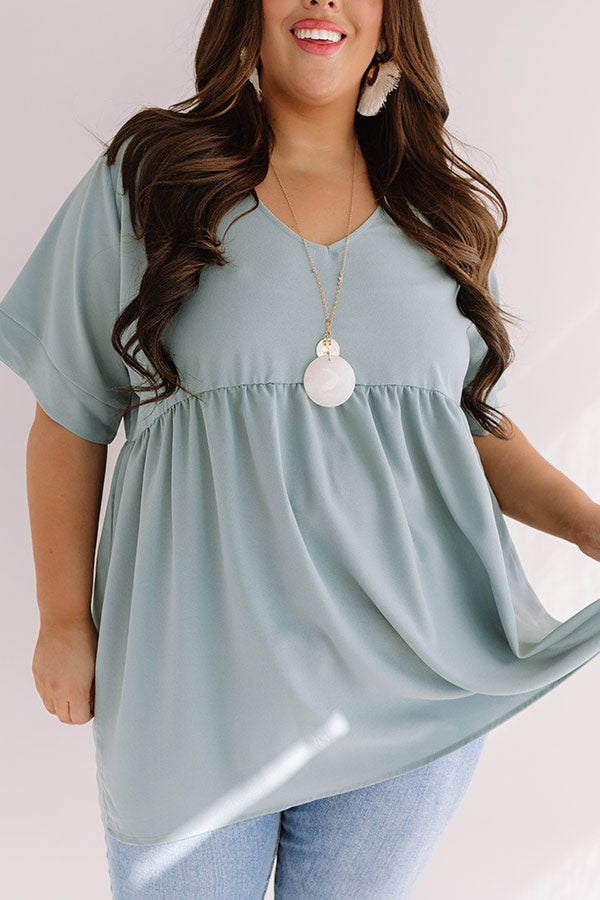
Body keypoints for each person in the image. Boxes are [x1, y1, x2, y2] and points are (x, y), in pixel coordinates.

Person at [2, 0, 600, 896]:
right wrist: (61, 621)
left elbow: (469, 429)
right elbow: (68, 414)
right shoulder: (154, 178)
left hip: (407, 688)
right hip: (190, 689)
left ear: (390, 21)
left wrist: (589, 526)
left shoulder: (443, 213)